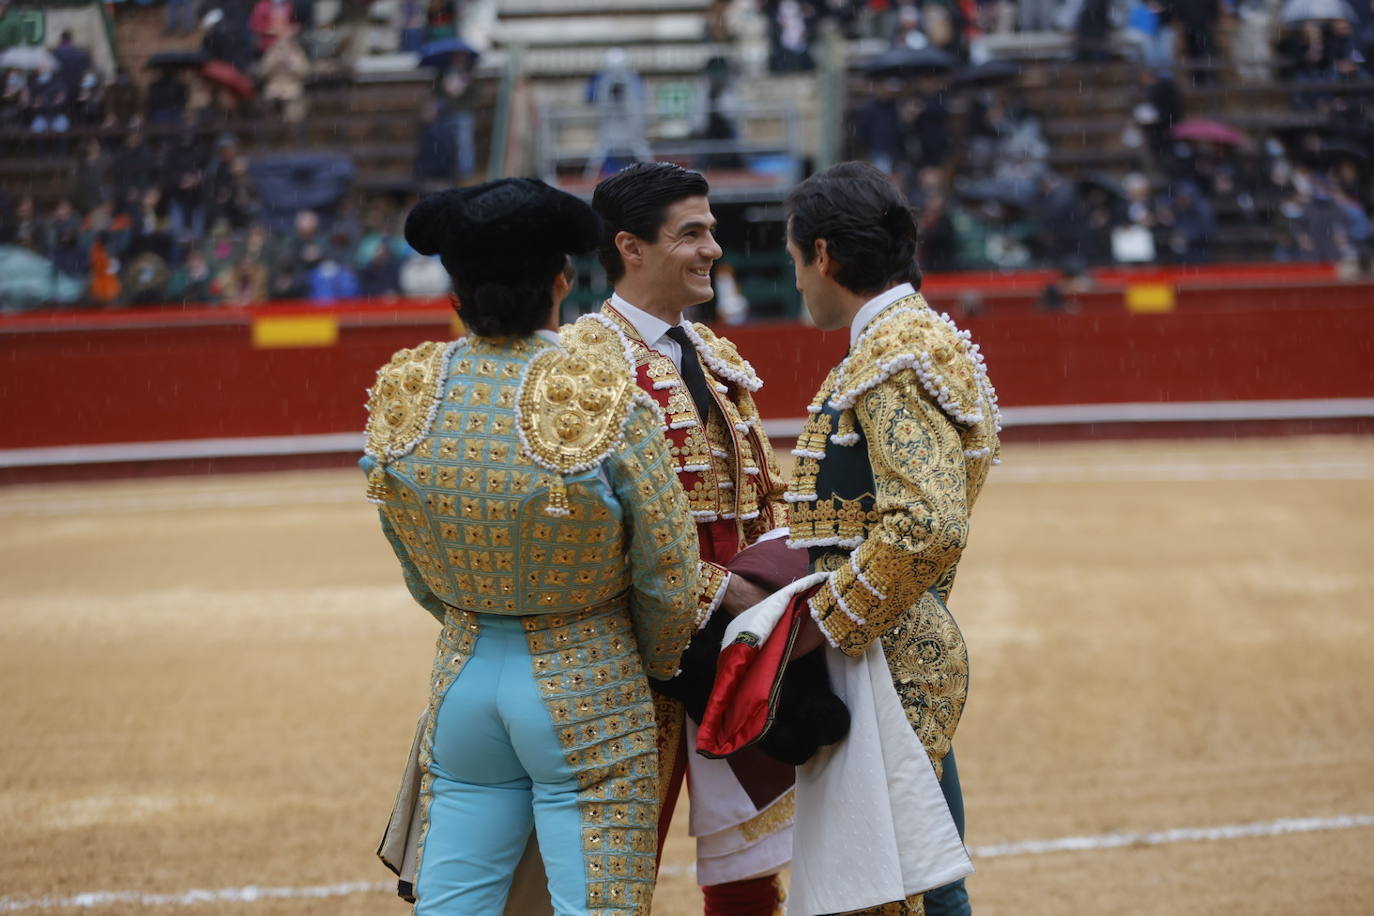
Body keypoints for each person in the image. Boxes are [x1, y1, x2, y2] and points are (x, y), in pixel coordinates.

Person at [362, 177, 702, 914]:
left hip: (464, 674)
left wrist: (473, 613)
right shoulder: (602, 393)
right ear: (561, 281)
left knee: (456, 901)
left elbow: (411, 559)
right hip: (588, 679)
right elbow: (669, 574)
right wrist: (647, 659)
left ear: (454, 293)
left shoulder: (408, 390)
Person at [560, 161, 793, 915]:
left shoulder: (716, 355)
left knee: (747, 864)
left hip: (735, 643)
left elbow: (761, 498)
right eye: (691, 233)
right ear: (631, 247)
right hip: (632, 659)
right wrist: (721, 592)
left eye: (712, 231)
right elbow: (587, 533)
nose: (713, 249)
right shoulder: (584, 364)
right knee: (613, 872)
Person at [780, 161, 1002, 916]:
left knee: (900, 885)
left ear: (825, 257)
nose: (798, 280)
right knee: (917, 868)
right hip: (900, 638)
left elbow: (927, 520)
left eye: (795, 259)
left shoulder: (889, 360)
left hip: (885, 651)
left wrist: (824, 620)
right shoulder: (923, 339)